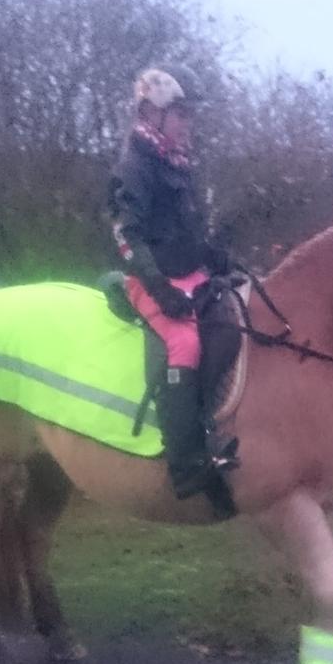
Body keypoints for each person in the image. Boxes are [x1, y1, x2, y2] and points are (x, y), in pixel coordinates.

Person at [108, 68, 234, 500]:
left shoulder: (179, 165)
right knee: (185, 346)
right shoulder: (135, 167)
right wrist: (160, 290)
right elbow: (128, 235)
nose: (186, 123)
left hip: (191, 274)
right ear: (150, 114)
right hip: (152, 280)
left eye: (187, 115)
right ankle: (185, 464)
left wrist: (221, 262)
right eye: (177, 114)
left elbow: (188, 234)